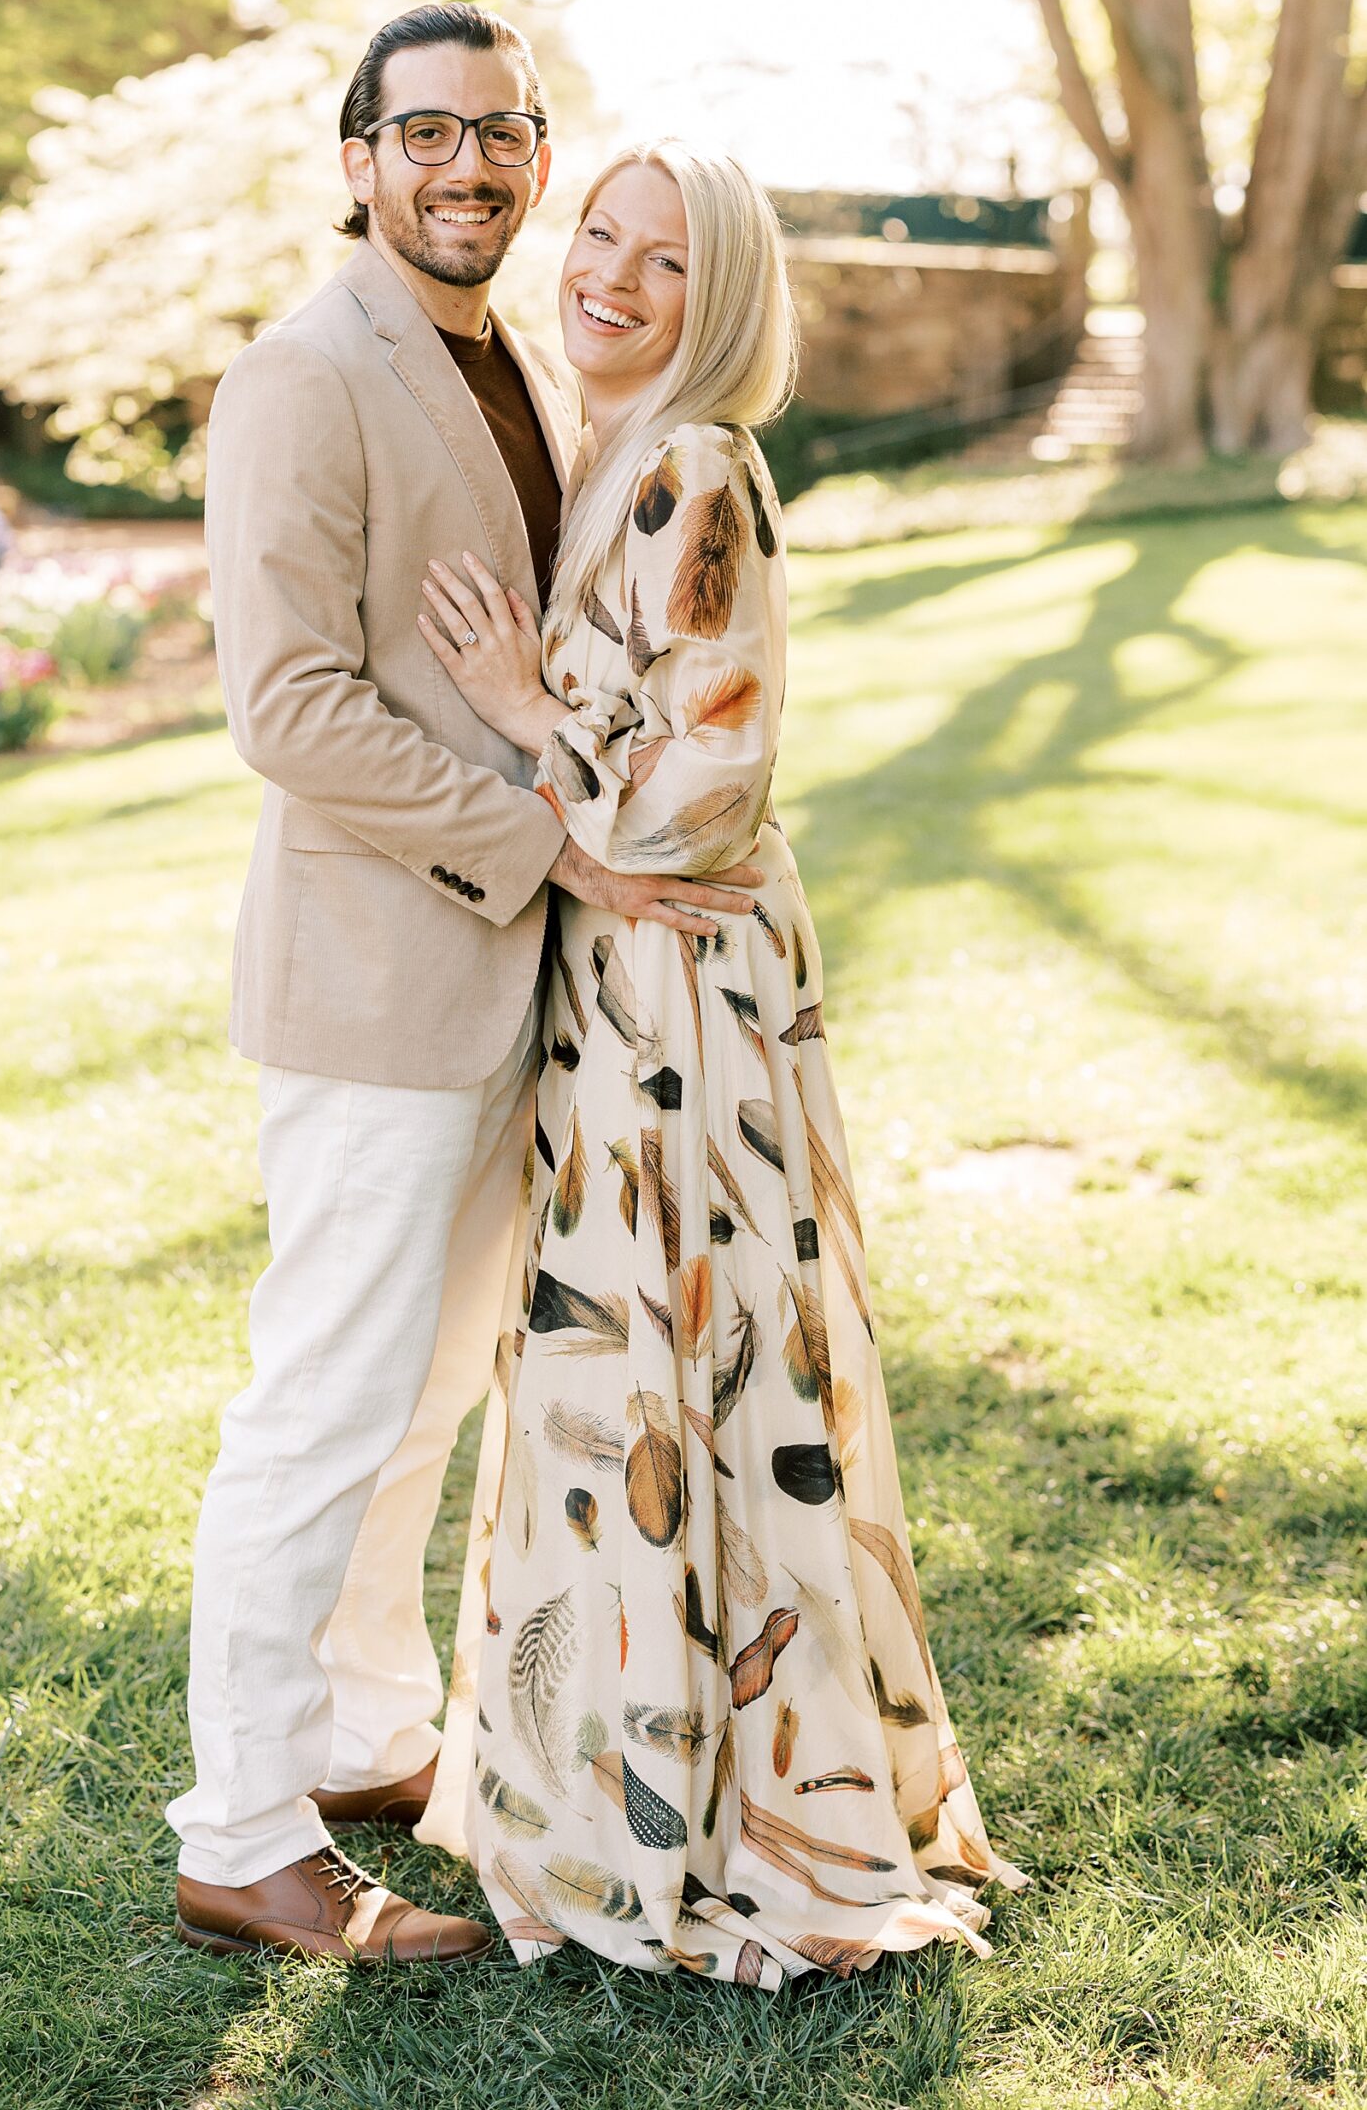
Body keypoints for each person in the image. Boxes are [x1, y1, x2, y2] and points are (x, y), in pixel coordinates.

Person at [169, 11, 764, 1967]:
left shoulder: (503, 354)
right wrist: (548, 844)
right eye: (426, 132)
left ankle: (366, 1730)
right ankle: (243, 1829)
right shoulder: (303, 377)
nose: (473, 167)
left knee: (417, 1403)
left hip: (506, 997)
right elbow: (292, 709)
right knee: (320, 1407)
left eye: (504, 133)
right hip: (377, 987)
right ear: (357, 156)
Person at [412, 141, 1030, 1986]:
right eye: (596, 231)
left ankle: (710, 1808)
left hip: (679, 995)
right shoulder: (605, 455)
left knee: (674, 1367)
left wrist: (534, 718)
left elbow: (707, 790)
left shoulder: (691, 467)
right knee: (633, 1376)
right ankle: (627, 1782)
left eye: (661, 260)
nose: (605, 272)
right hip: (623, 985)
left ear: (720, 302)